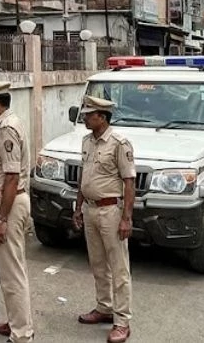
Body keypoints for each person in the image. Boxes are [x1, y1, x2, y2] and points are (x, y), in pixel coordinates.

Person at [73, 95, 135, 343]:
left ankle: (122, 321)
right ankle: (104, 307)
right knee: (98, 264)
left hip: (111, 211)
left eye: (89, 115)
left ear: (102, 117)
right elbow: (83, 177)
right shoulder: (86, 141)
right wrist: (78, 207)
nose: (85, 119)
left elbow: (129, 182)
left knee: (119, 268)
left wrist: (126, 218)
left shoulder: (119, 143)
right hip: (90, 209)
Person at [0, 81, 33, 343]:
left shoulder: (7, 129)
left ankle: (22, 333)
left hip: (7, 203)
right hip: (2, 201)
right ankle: (15, 322)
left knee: (12, 272)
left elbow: (11, 177)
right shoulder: (4, 125)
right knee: (10, 269)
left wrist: (1, 219)